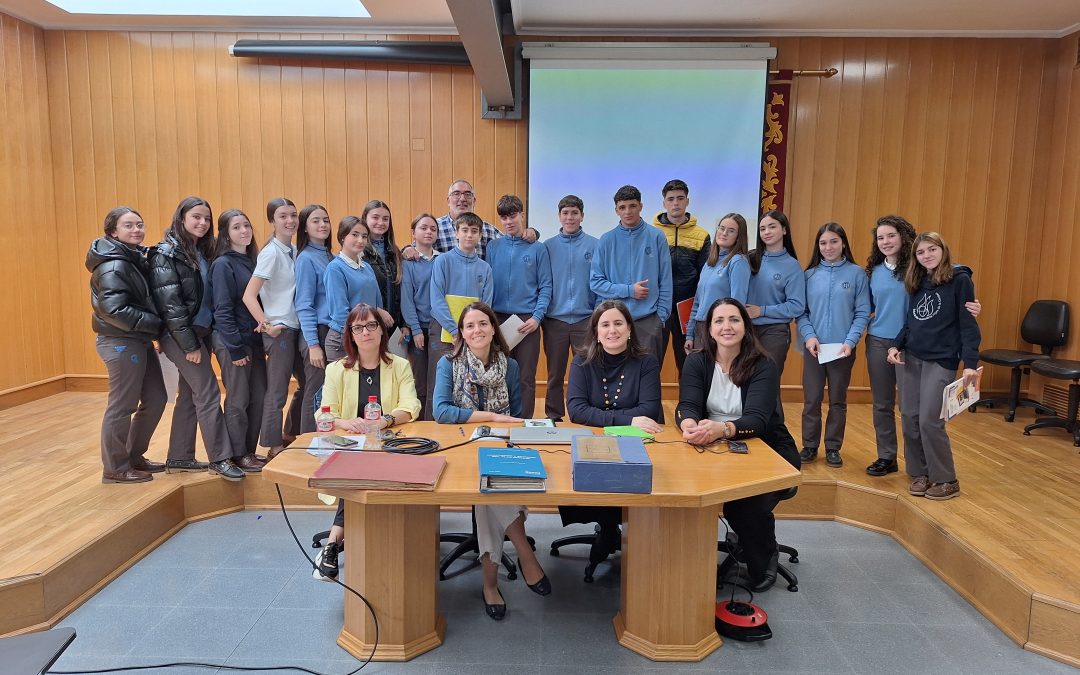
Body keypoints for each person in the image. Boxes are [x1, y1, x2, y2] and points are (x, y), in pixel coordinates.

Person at [432, 302, 550, 620]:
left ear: (492, 328)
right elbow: (441, 411)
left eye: (483, 324)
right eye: (470, 326)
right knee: (490, 486)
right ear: (462, 333)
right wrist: (489, 417)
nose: (477, 331)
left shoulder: (508, 366)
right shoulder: (449, 364)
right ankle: (524, 554)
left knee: (490, 489)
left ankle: (490, 585)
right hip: (459, 450)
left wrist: (500, 425)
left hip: (501, 447)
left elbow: (517, 416)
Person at [676, 298, 801, 591]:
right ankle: (735, 544)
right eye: (719, 320)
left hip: (769, 448)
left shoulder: (763, 364)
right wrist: (689, 423)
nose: (726, 327)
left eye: (734, 319)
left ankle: (764, 557)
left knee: (744, 506)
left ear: (746, 326)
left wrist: (723, 428)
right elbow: (686, 405)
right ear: (710, 328)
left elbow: (757, 419)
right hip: (716, 449)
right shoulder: (697, 361)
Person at [863, 216, 982, 477]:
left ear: (903, 237)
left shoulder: (927, 269)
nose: (886, 241)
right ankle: (897, 462)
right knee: (895, 410)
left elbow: (955, 272)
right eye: (880, 237)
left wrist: (972, 302)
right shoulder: (882, 272)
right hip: (890, 343)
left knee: (925, 417)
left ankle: (937, 475)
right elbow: (875, 311)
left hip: (926, 350)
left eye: (891, 235)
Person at [312, 303, 421, 581]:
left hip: (389, 444)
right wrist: (344, 422)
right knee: (357, 472)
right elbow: (324, 410)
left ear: (381, 331)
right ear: (350, 334)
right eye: (358, 327)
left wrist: (385, 420)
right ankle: (334, 544)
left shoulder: (400, 365)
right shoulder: (337, 369)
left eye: (371, 325)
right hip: (351, 446)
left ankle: (335, 543)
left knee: (367, 471)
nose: (365, 332)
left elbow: (412, 405)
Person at [561, 299, 663, 564]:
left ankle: (627, 534)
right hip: (594, 445)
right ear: (596, 331)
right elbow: (577, 410)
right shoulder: (582, 361)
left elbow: (649, 409)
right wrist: (628, 422)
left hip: (641, 446)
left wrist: (606, 419)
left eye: (618, 323)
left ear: (629, 328)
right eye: (604, 324)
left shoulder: (647, 362)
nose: (612, 330)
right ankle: (608, 530)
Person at [150, 197, 244, 481]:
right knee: (208, 391)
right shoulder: (166, 254)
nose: (202, 223)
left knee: (191, 395)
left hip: (198, 333)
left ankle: (179, 456)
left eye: (206, 218)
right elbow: (171, 306)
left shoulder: (201, 251)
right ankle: (220, 458)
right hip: (178, 335)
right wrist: (189, 346)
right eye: (196, 217)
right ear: (181, 218)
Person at [888, 232, 980, 501]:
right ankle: (921, 473)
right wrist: (896, 345)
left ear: (943, 250)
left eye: (932, 249)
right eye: (920, 252)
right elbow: (910, 323)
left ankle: (946, 479)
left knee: (930, 420)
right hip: (912, 357)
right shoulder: (917, 281)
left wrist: (970, 363)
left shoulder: (959, 279)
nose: (926, 255)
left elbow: (968, 324)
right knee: (909, 417)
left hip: (941, 360)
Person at [87, 206, 167, 484]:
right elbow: (113, 309)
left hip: (138, 339)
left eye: (140, 225)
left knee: (156, 398)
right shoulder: (113, 264)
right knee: (122, 405)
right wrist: (156, 325)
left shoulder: (131, 257)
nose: (137, 230)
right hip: (120, 341)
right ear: (113, 231)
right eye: (129, 225)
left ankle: (133, 456)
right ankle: (115, 468)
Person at [795, 223, 871, 468]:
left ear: (843, 244)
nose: (828, 247)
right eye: (823, 243)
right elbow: (802, 312)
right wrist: (809, 336)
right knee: (812, 399)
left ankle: (833, 447)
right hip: (814, 348)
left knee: (838, 399)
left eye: (834, 241)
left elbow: (862, 313)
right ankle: (809, 446)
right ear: (818, 246)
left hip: (842, 350)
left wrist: (850, 342)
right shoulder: (809, 275)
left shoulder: (857, 274)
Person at [243, 198, 306, 461]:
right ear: (272, 220)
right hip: (280, 331)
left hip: (295, 328)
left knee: (308, 383)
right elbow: (249, 295)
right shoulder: (271, 253)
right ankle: (272, 444)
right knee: (277, 390)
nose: (290, 220)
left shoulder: (292, 250)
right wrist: (267, 326)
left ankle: (290, 432)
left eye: (293, 215)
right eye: (283, 216)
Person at [589, 185, 673, 382]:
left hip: (648, 320)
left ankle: (652, 415)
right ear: (616, 210)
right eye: (623, 207)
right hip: (615, 322)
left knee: (648, 379)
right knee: (615, 379)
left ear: (641, 206)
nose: (628, 211)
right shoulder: (606, 240)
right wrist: (628, 291)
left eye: (632, 206)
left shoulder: (656, 236)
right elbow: (596, 283)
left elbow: (666, 281)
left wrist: (660, 318)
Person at [209, 209, 267, 473]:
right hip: (233, 342)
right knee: (238, 399)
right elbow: (221, 309)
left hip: (253, 341)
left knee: (258, 397)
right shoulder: (223, 264)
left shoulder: (255, 261)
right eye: (236, 227)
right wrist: (234, 348)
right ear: (225, 234)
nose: (244, 231)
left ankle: (249, 452)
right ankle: (236, 454)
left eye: (247, 225)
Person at [486, 194, 552, 419]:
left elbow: (546, 287)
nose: (508, 222)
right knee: (498, 373)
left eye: (513, 216)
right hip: (497, 319)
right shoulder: (493, 247)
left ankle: (524, 422)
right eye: (504, 218)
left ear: (522, 215)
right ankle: (501, 418)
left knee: (525, 375)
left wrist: (537, 318)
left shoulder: (538, 248)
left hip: (527, 321)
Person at [542, 195, 598, 421]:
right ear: (559, 216)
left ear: (582, 216)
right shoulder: (547, 246)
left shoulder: (595, 245)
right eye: (565, 213)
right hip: (555, 320)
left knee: (587, 370)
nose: (570, 217)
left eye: (574, 213)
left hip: (586, 319)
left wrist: (596, 313)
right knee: (555, 373)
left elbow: (600, 281)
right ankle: (553, 415)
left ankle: (587, 413)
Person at [652, 179, 710, 373]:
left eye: (680, 198)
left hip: (688, 306)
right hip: (658, 304)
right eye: (670, 199)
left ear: (687, 201)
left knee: (687, 362)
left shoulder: (701, 235)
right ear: (664, 203)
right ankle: (651, 404)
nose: (675, 203)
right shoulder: (652, 233)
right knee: (651, 360)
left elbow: (705, 275)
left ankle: (688, 404)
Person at [746, 210, 806, 377]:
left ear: (784, 230)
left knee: (767, 383)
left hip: (774, 332)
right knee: (744, 381)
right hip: (746, 330)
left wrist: (762, 310)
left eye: (772, 227)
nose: (766, 232)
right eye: (762, 229)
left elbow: (797, 306)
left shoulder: (792, 266)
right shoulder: (749, 258)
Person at [428, 212, 494, 360]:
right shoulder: (442, 261)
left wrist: (471, 331)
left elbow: (485, 306)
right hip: (443, 329)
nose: (469, 235)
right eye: (464, 230)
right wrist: (454, 330)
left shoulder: (485, 268)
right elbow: (436, 300)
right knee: (439, 378)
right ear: (456, 233)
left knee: (469, 379)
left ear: (480, 235)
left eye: (474, 231)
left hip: (473, 333)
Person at [684, 213, 751, 352]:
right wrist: (689, 334)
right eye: (721, 228)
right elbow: (697, 302)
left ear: (739, 237)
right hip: (700, 329)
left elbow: (737, 305)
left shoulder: (738, 262)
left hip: (720, 330)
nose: (724, 233)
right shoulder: (710, 262)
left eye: (731, 231)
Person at [294, 203, 334, 434]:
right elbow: (304, 305)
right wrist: (313, 345)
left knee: (326, 392)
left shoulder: (329, 255)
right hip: (316, 333)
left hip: (330, 332)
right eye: (316, 221)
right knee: (314, 391)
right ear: (305, 228)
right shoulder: (306, 258)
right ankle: (306, 442)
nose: (322, 225)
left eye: (326, 220)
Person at [323, 215, 383, 362]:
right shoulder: (335, 268)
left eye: (364, 236)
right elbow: (340, 312)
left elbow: (376, 304)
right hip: (344, 340)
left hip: (365, 336)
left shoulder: (367, 267)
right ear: (343, 237)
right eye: (355, 235)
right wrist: (359, 337)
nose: (360, 240)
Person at [400, 213, 440, 419]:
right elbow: (407, 300)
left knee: (437, 381)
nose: (428, 232)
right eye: (423, 228)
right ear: (413, 233)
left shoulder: (443, 260)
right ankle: (419, 423)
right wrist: (415, 329)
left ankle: (433, 422)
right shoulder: (408, 263)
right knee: (419, 381)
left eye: (433, 229)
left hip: (440, 328)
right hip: (419, 329)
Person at [360, 200, 404, 329]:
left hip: (393, 324)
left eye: (385, 219)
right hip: (369, 321)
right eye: (375, 217)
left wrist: (403, 324)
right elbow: (357, 291)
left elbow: (401, 292)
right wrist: (377, 309)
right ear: (364, 218)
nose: (381, 222)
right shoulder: (358, 251)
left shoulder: (395, 252)